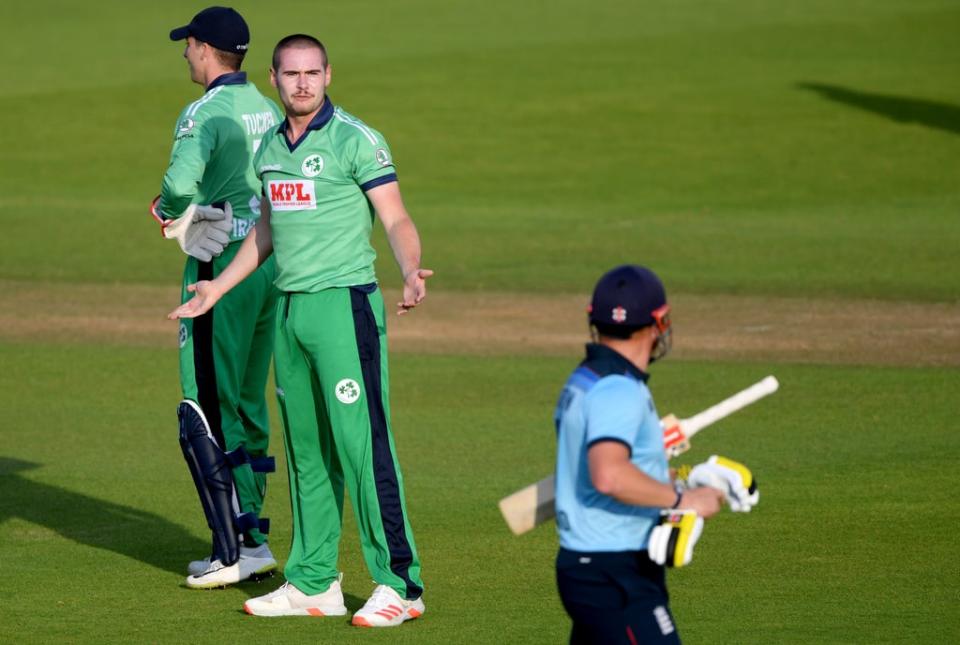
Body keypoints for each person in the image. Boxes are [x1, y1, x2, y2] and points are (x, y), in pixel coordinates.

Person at [169, 34, 431, 627]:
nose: (303, 83)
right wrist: (218, 286)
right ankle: (314, 581)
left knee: (363, 450)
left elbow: (395, 216)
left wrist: (411, 269)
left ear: (328, 74)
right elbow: (267, 231)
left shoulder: (355, 139)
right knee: (307, 454)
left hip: (343, 309)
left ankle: (400, 584)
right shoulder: (267, 147)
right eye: (291, 74)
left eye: (313, 73)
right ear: (275, 77)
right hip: (290, 314)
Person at [156, 6, 282, 589]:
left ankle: (228, 552)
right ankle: (253, 540)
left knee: (203, 404)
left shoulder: (204, 112)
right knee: (247, 403)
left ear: (206, 49)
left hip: (219, 266)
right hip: (267, 264)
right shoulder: (265, 105)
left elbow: (180, 186)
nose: (185, 53)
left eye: (189, 45)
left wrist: (169, 211)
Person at [553, 265, 725, 644]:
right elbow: (609, 475)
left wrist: (682, 478)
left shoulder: (584, 379)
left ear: (592, 318)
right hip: (614, 571)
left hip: (590, 567)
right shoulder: (620, 391)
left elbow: (608, 468)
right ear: (658, 322)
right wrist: (685, 498)